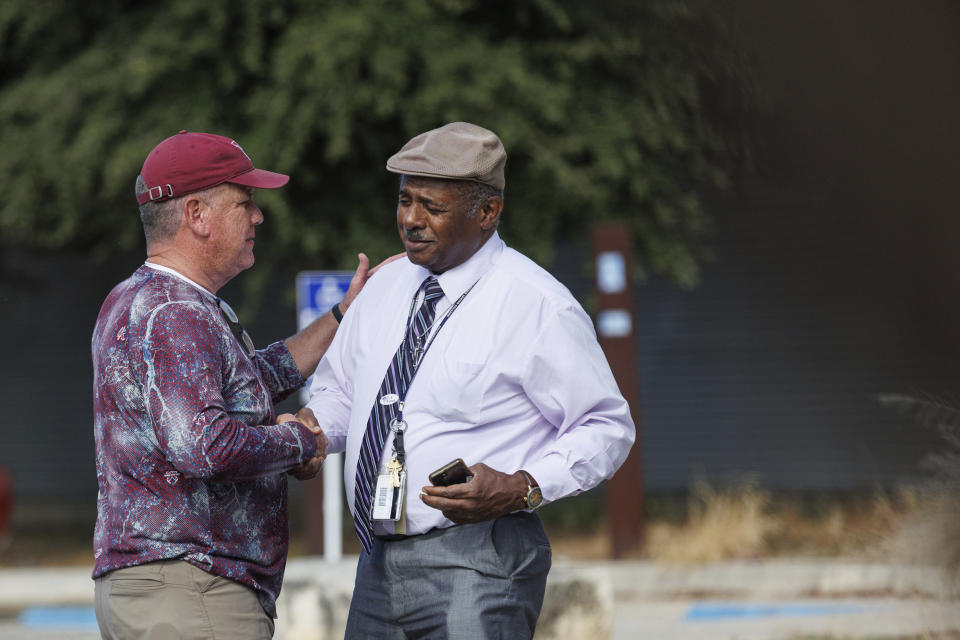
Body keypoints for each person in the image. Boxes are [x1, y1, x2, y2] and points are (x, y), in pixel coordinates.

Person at [305, 122, 636, 638]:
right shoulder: (383, 288)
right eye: (404, 200)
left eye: (431, 207)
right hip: (378, 563)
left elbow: (606, 428)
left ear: (487, 213)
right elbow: (341, 392)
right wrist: (312, 432)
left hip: (481, 559)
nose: (410, 220)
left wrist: (522, 486)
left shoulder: (536, 305)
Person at [91, 130, 392, 639]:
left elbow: (256, 378)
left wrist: (345, 312)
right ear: (197, 215)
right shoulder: (175, 313)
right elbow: (204, 447)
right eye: (244, 202)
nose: (257, 216)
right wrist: (304, 440)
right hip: (192, 589)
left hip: (174, 586)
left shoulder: (142, 297)